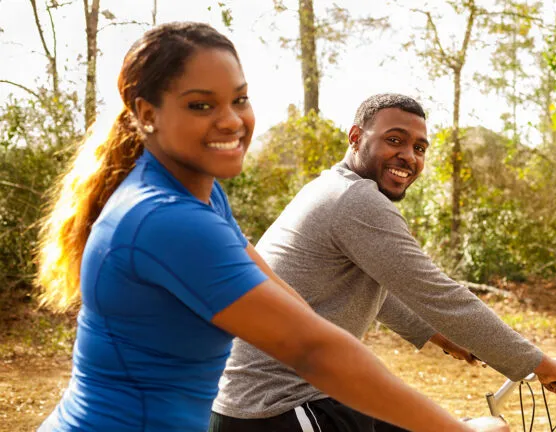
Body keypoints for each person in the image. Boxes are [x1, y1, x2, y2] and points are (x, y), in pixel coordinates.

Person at [34, 24, 504, 432]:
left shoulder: (201, 194)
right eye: (201, 105)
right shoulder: (167, 219)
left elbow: (295, 309)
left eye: (239, 99)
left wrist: (435, 335)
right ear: (147, 113)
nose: (231, 120)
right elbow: (314, 351)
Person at [211, 93, 556, 431]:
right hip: (283, 408)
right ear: (356, 137)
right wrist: (540, 364)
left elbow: (380, 291)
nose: (409, 156)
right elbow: (437, 295)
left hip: (269, 403)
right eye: (394, 140)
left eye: (420, 147)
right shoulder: (357, 200)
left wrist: (439, 336)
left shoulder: (330, 187)